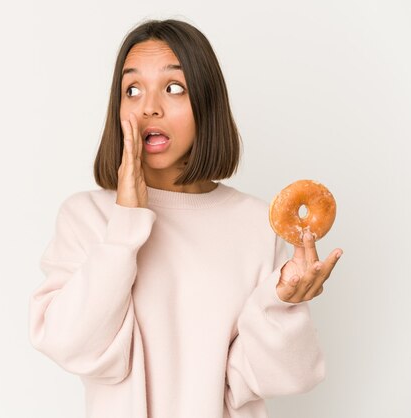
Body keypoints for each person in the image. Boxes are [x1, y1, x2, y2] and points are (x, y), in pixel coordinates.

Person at [28, 18, 343, 418]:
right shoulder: (86, 217)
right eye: (132, 89)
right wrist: (126, 224)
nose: (150, 106)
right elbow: (71, 345)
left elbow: (279, 379)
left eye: (174, 88)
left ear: (206, 102)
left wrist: (278, 303)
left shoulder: (254, 224)